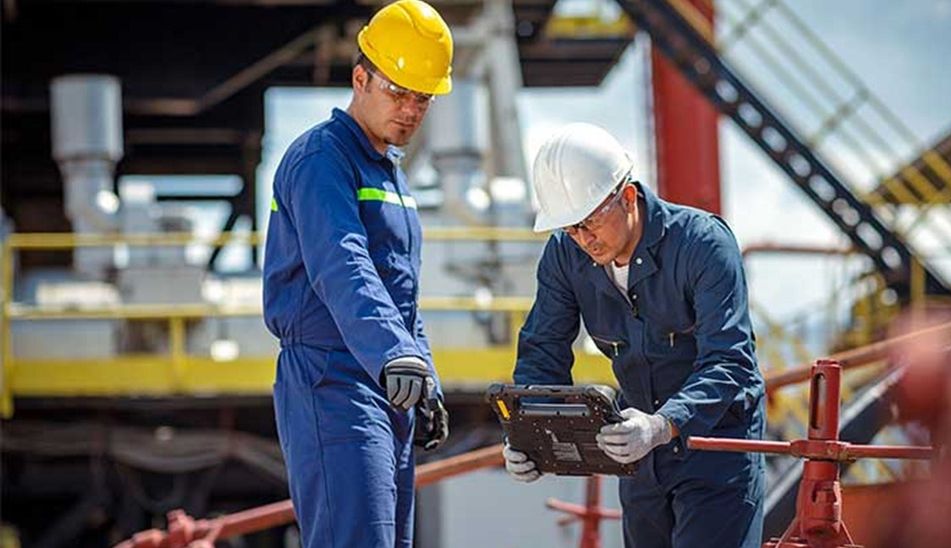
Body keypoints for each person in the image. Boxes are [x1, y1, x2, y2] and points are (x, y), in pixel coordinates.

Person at [504, 123, 766, 547]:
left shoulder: (703, 245)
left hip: (718, 447)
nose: (583, 240)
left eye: (589, 223)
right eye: (571, 228)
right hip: (639, 453)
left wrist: (664, 425)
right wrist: (525, 434)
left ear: (627, 197)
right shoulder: (565, 255)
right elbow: (543, 350)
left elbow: (729, 360)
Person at [262, 1, 451, 545]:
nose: (411, 109)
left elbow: (401, 296)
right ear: (360, 78)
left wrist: (425, 380)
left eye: (423, 98)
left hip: (386, 387)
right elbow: (343, 265)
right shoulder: (321, 159)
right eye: (398, 92)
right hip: (333, 381)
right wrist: (397, 356)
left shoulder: (390, 173)